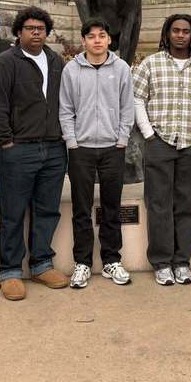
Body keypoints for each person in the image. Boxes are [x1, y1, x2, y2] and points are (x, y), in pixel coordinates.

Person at [0, 6, 69, 301]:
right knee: (13, 212)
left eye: (41, 29)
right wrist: (5, 141)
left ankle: (42, 263)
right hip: (18, 150)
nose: (36, 33)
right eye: (30, 28)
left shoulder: (56, 61)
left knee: (47, 209)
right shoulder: (6, 62)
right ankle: (10, 270)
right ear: (18, 32)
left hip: (54, 148)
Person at [133, 14, 191, 286]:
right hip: (159, 144)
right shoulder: (150, 64)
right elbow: (137, 101)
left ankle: (182, 262)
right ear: (167, 34)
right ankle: (161, 262)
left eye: (186, 31)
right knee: (158, 205)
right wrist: (149, 136)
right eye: (176, 30)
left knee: (187, 206)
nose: (181, 35)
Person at [59, 18, 135, 288]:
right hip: (82, 149)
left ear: (109, 39)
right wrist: (72, 141)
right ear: (84, 41)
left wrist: (122, 138)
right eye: (91, 36)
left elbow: (128, 106)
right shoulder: (72, 69)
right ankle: (82, 263)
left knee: (111, 207)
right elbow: (66, 108)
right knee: (81, 208)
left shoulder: (121, 68)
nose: (97, 40)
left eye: (102, 35)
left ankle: (112, 260)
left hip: (113, 148)